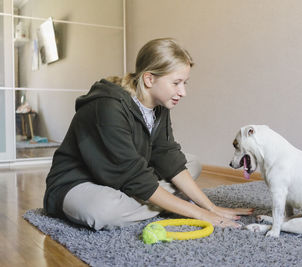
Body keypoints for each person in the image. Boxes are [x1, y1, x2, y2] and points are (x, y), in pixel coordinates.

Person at [43, 38, 252, 230]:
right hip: (80, 183)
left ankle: (151, 201)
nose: (183, 92)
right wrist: (199, 213)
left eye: (185, 83)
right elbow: (133, 174)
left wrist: (211, 207)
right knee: (103, 212)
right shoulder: (107, 107)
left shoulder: (159, 106)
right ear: (149, 79)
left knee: (192, 163)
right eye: (176, 83)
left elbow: (166, 155)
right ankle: (162, 201)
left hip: (125, 178)